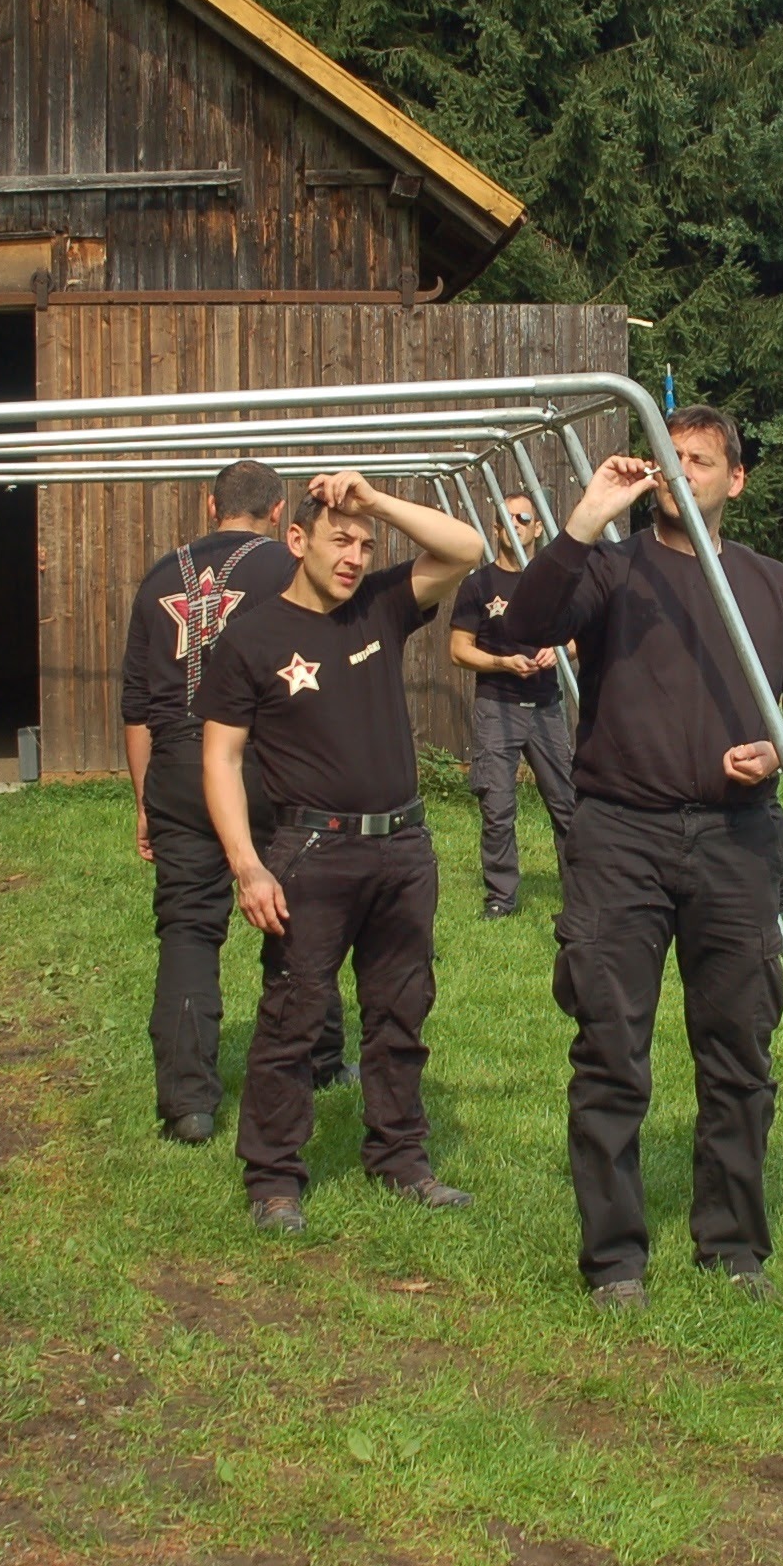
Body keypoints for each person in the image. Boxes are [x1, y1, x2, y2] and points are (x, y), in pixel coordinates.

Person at [502, 405, 783, 1311]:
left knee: (739, 1051)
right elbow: (523, 624)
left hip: (737, 841)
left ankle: (731, 1247)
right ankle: (615, 1261)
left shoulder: (774, 588)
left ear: (736, 479)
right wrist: (585, 518)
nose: (679, 470)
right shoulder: (613, 571)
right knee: (611, 1049)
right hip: (622, 837)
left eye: (698, 459)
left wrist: (780, 751)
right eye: (667, 456)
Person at [197, 471, 488, 1234]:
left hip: (404, 848)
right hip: (311, 852)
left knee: (401, 1012)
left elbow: (467, 549)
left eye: (365, 544)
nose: (355, 556)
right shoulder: (252, 638)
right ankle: (274, 1180)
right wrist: (247, 865)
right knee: (294, 1018)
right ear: (296, 540)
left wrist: (376, 502)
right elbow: (221, 758)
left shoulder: (380, 606)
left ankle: (401, 1160)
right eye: (339, 540)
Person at [120, 460, 348, 1146]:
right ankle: (318, 1059)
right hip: (264, 764)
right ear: (279, 513)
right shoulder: (289, 567)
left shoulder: (160, 577)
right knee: (300, 912)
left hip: (176, 766)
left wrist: (145, 801)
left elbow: (136, 706)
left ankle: (188, 1103)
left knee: (188, 929)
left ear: (209, 503)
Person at [448, 494, 577, 918]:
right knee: (497, 806)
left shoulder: (555, 582)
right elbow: (458, 650)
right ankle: (501, 898)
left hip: (546, 708)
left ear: (537, 527)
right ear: (497, 528)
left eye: (524, 517)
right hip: (497, 707)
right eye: (507, 518)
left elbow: (580, 635)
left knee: (567, 802)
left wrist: (560, 651)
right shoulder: (478, 585)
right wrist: (502, 663)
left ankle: (580, 893)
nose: (515, 523)